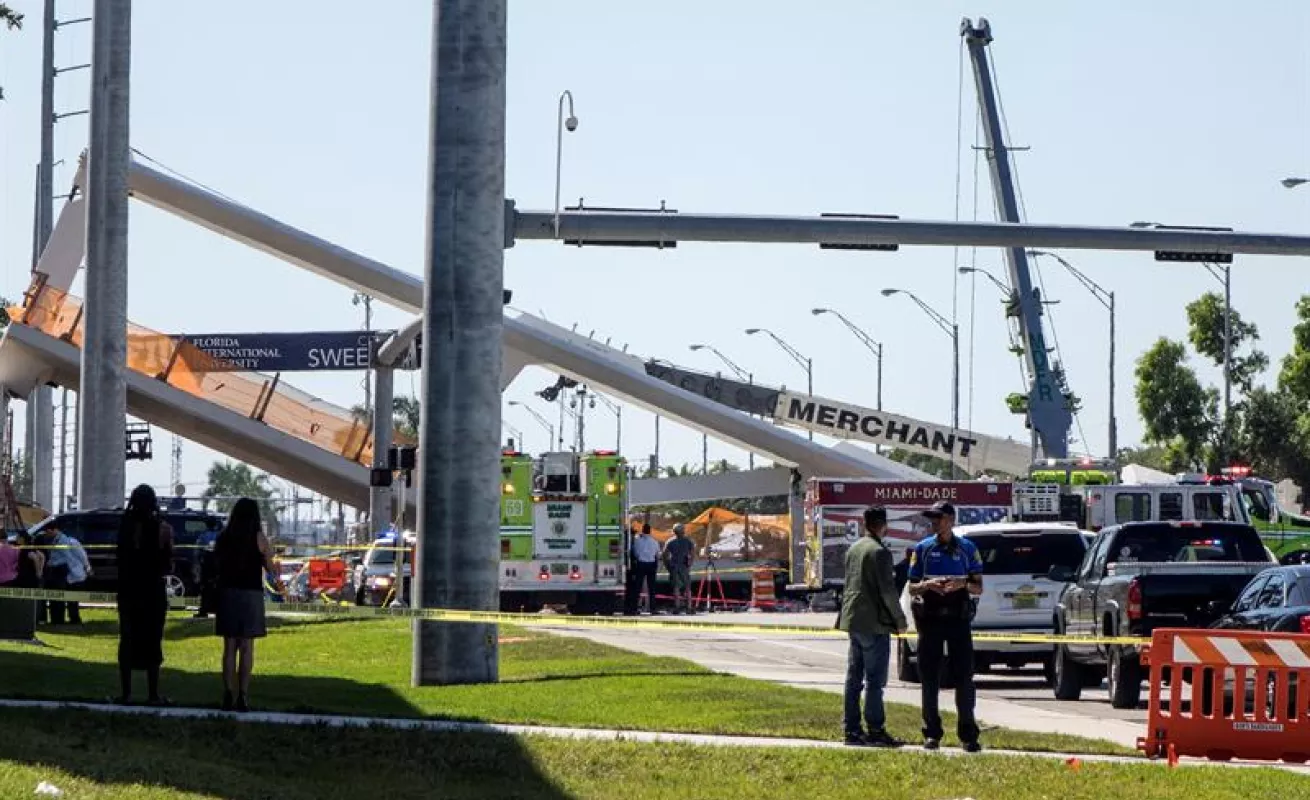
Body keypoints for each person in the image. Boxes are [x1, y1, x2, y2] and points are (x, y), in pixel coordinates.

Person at [906, 500, 984, 752]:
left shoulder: (967, 549)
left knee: (964, 677)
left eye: (938, 518)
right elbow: (911, 586)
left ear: (951, 520)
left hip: (958, 618)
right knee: (929, 677)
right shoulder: (923, 548)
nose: (934, 523)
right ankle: (932, 733)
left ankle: (968, 734)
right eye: (932, 519)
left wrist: (961, 583)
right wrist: (929, 585)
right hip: (930, 618)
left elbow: (978, 586)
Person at [838, 505, 907, 747]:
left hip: (853, 619)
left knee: (853, 677)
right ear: (883, 524)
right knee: (875, 681)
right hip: (874, 623)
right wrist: (900, 619)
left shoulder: (854, 549)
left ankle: (851, 730)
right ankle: (876, 729)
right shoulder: (880, 552)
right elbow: (887, 591)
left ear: (864, 523)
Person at [215, 497, 280, 712]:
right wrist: (269, 557)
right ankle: (243, 695)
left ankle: (226, 693)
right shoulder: (259, 538)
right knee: (247, 647)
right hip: (250, 594)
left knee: (229, 647)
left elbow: (216, 563)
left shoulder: (224, 536)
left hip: (228, 593)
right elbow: (271, 569)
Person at [115, 484, 175, 706]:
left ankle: (126, 693)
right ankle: (153, 694)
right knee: (153, 640)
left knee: (127, 638)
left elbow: (120, 559)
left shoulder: (125, 526)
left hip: (129, 590)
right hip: (153, 591)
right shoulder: (163, 529)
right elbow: (168, 565)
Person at [41, 527, 91, 625]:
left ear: (55, 529)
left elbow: (82, 556)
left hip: (74, 574)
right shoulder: (54, 542)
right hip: (63, 575)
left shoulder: (71, 541)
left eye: (48, 531)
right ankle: (63, 620)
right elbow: (56, 558)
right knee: (63, 599)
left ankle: (75, 620)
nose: (46, 534)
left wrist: (87, 567)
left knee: (73, 600)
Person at [662, 523, 696, 614]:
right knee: (687, 587)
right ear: (683, 531)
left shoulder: (670, 542)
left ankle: (677, 607)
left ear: (674, 531)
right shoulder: (688, 541)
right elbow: (692, 554)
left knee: (676, 588)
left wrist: (668, 566)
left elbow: (664, 555)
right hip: (684, 567)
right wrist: (689, 565)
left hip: (674, 567)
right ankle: (689, 607)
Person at [629, 523, 660, 614]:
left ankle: (634, 608)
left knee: (637, 587)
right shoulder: (654, 541)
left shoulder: (637, 541)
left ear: (642, 530)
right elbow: (657, 554)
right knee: (652, 588)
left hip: (640, 564)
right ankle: (652, 609)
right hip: (651, 564)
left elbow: (634, 553)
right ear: (650, 531)